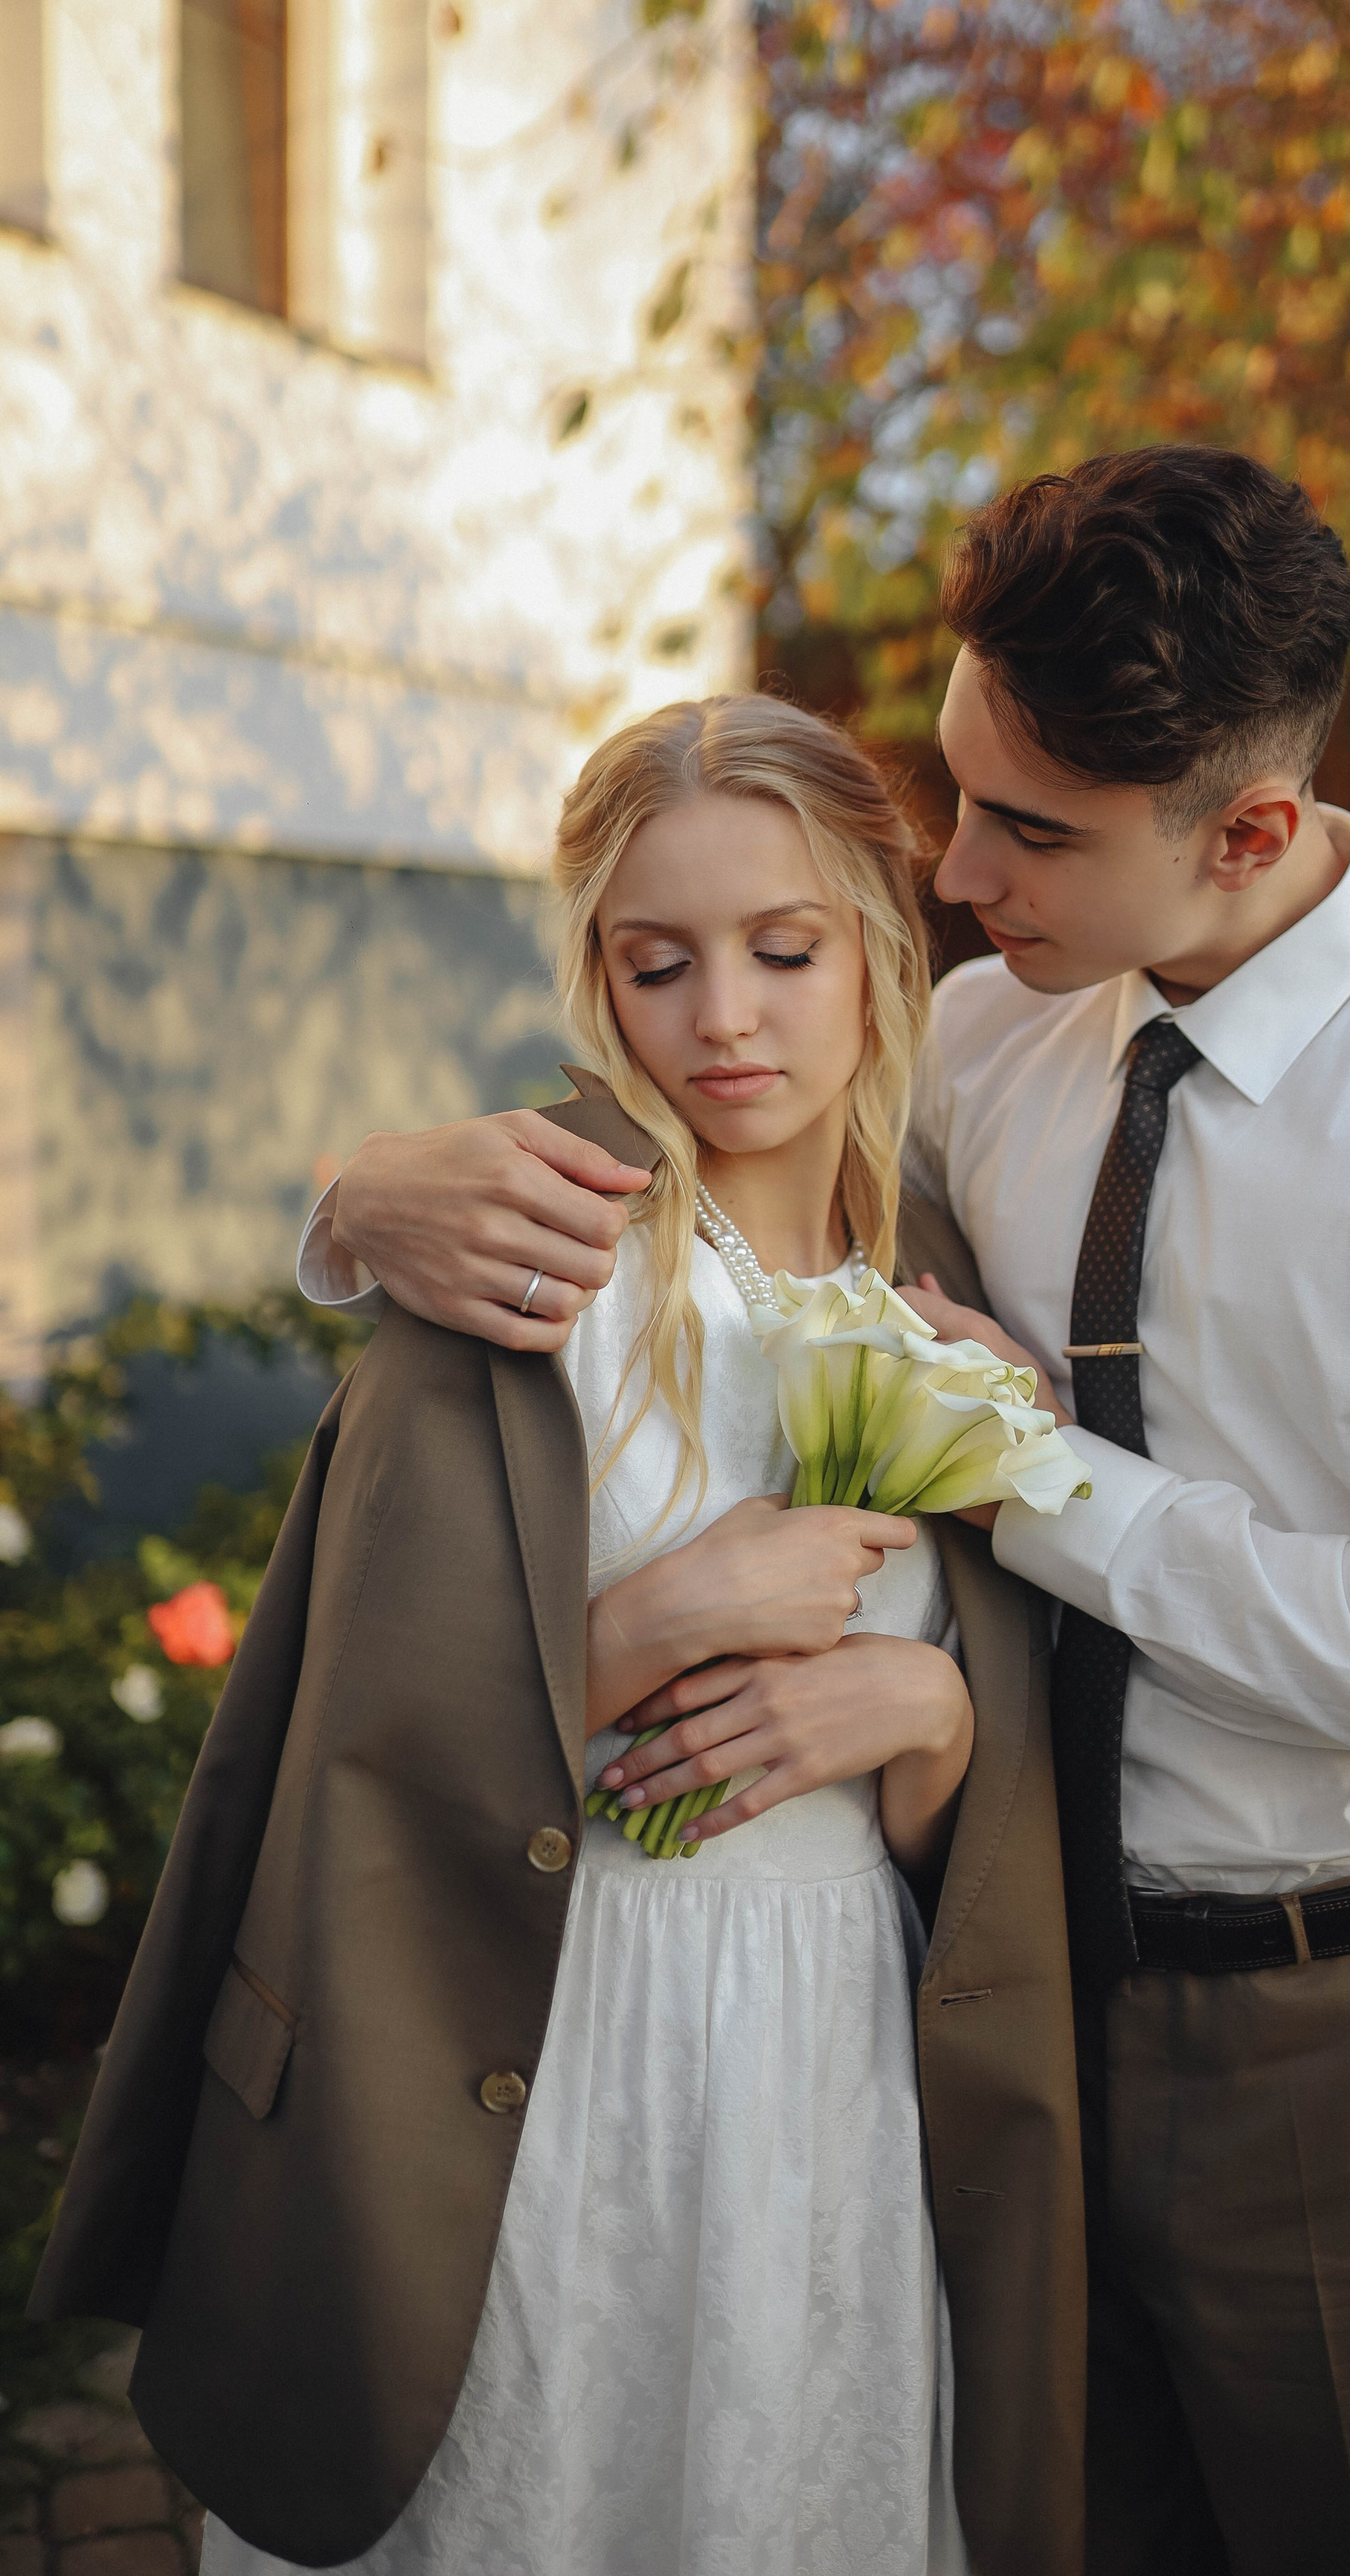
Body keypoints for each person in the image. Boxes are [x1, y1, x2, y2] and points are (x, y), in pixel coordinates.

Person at [254, 449, 1350, 2574]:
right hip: (971, 1986)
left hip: (1319, 2014)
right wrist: (349, 1202)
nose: (951, 865)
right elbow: (710, 1213)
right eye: (955, 785)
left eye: (1028, 830)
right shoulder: (992, 1040)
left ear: (1254, 831)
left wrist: (1035, 1496)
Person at [33, 698, 1086, 2576]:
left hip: (815, 2075)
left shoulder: (943, 1302)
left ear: (875, 939)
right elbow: (343, 1741)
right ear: (598, 975)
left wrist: (919, 1714)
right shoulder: (529, 1266)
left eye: (783, 949)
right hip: (529, 2039)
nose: (727, 1019)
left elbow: (981, 1833)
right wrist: (647, 1620)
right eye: (656, 962)